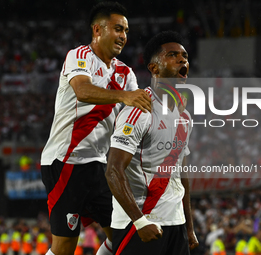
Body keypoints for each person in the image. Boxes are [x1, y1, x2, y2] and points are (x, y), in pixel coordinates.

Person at [40, 2, 151, 255]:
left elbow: (133, 115)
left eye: (126, 31)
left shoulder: (125, 73)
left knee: (121, 237)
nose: (123, 36)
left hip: (98, 166)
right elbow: (83, 91)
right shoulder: (78, 56)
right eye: (118, 29)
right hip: (66, 161)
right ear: (97, 30)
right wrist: (124, 97)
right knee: (64, 247)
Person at [105, 31, 199, 254]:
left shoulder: (185, 117)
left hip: (175, 224)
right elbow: (113, 170)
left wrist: (188, 225)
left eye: (184, 56)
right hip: (141, 223)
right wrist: (140, 222)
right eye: (172, 55)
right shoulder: (139, 110)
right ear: (154, 68)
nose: (182, 60)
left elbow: (180, 175)